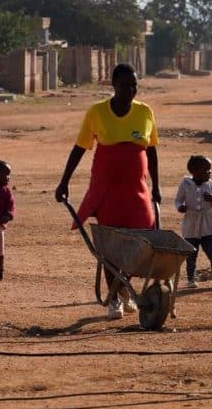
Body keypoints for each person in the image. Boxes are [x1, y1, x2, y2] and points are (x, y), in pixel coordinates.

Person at [55, 63, 162, 320]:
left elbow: (152, 151)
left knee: (140, 241)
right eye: (125, 85)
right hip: (107, 189)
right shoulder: (97, 112)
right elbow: (80, 147)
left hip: (137, 189)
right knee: (110, 245)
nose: (131, 90)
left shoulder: (145, 112)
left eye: (134, 85)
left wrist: (156, 187)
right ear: (113, 86)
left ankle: (125, 290)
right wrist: (64, 181)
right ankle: (114, 298)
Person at [175, 156, 212, 289]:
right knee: (191, 255)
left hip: (207, 226)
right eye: (207, 170)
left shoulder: (210, 184)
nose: (210, 173)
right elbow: (178, 200)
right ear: (195, 171)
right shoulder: (185, 184)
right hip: (191, 226)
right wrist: (180, 207)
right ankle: (191, 280)